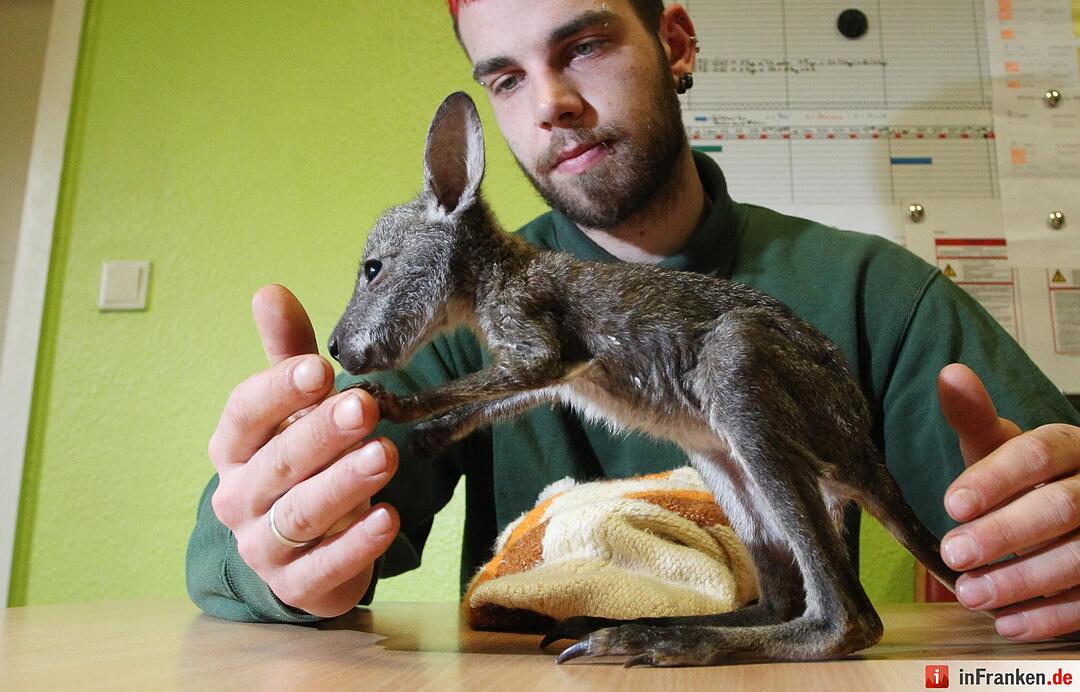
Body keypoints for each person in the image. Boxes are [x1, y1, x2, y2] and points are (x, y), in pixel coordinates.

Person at [187, 0, 1080, 642]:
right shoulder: (455, 319)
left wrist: (1055, 533)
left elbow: (1041, 491)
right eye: (505, 77)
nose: (550, 104)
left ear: (674, 40)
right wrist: (274, 539)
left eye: (581, 46)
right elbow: (250, 549)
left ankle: (820, 617)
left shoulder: (877, 291)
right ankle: (780, 611)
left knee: (730, 371)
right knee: (712, 430)